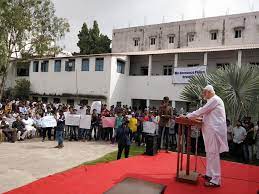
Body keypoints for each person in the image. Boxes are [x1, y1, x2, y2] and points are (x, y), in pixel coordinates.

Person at [185, 85, 229, 187]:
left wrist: (188, 116)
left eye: (204, 92)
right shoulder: (212, 101)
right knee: (209, 153)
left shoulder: (215, 100)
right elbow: (205, 113)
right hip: (209, 130)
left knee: (213, 154)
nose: (203, 94)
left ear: (209, 92)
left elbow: (202, 110)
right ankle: (210, 174)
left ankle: (216, 179)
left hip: (214, 131)